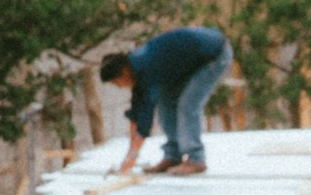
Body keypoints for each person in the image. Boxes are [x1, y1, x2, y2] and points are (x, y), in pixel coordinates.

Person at [99, 27, 233, 176]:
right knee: (166, 103)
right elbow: (136, 114)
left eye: (116, 83)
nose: (119, 87)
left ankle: (196, 159)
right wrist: (130, 155)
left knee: (188, 105)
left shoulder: (147, 69)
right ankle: (173, 156)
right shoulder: (136, 68)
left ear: (123, 72)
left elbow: (145, 121)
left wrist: (133, 157)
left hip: (214, 54)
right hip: (188, 60)